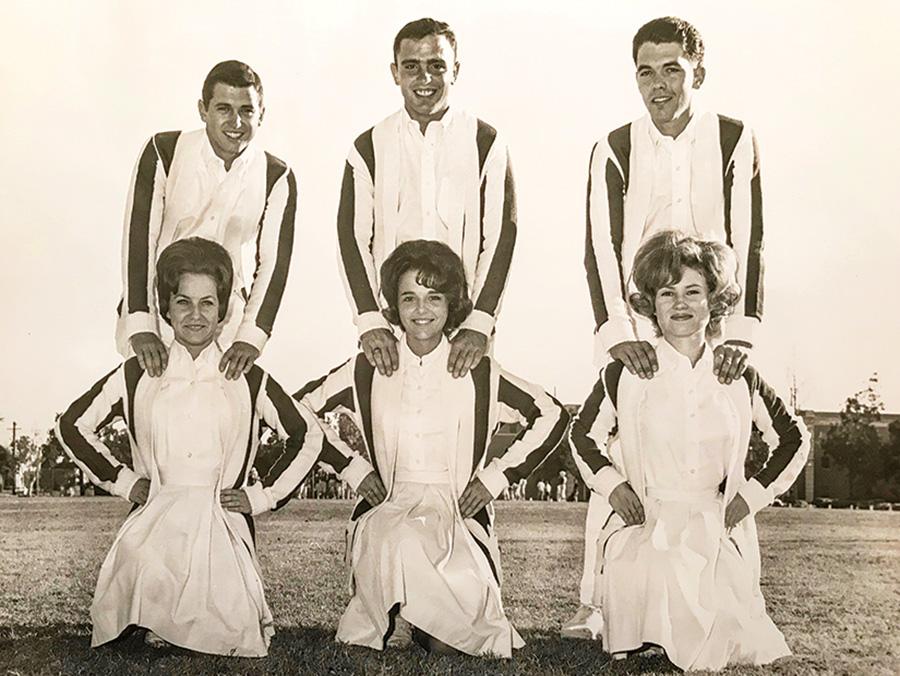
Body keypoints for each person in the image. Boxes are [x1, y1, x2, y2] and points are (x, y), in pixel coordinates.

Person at [58, 238, 377, 656]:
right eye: (183, 302)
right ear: (166, 308)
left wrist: (261, 496)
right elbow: (72, 425)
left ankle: (173, 621)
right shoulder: (139, 372)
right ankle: (151, 615)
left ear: (224, 311)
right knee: (147, 580)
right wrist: (124, 481)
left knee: (227, 629)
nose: (195, 315)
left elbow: (308, 435)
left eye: (208, 303)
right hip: (156, 516)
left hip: (221, 520)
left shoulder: (245, 375)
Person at [566, 15, 767, 639]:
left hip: (711, 322)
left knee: (714, 455)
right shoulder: (614, 146)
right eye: (646, 72)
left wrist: (739, 338)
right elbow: (600, 245)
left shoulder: (734, 137)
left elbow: (750, 240)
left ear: (696, 71)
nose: (659, 85)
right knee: (626, 448)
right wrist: (615, 333)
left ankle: (724, 586)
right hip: (640, 325)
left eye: (672, 69)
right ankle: (595, 602)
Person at [296, 240, 567, 657]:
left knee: (453, 646)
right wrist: (351, 468)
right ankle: (397, 612)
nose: (421, 310)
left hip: (455, 511)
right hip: (392, 505)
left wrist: (496, 478)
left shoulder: (476, 367)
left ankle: (419, 618)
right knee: (401, 536)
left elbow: (552, 415)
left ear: (451, 303)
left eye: (433, 297)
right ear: (394, 305)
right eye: (409, 298)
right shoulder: (369, 364)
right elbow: (299, 410)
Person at [570, 231, 808, 670]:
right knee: (659, 568)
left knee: (720, 626)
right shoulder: (627, 371)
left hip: (712, 522)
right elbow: (581, 435)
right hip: (648, 520)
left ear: (714, 302)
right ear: (650, 305)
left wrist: (749, 498)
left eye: (693, 291)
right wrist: (613, 485)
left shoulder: (737, 372)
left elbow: (794, 440)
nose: (680, 304)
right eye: (667, 292)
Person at [337, 18, 516, 381]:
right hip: (391, 329)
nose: (425, 78)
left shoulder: (486, 142)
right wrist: (370, 320)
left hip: (465, 328)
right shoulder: (368, 146)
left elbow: (501, 235)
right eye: (411, 67)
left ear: (456, 71)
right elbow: (351, 237)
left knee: (463, 425)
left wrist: (479, 323)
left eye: (437, 66)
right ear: (395, 72)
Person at [117, 60, 297, 382]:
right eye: (224, 109)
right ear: (203, 110)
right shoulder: (165, 150)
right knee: (155, 420)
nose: (236, 122)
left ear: (262, 114)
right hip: (160, 318)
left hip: (227, 327)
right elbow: (138, 239)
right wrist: (141, 324)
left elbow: (273, 263)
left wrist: (251, 336)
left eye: (247, 110)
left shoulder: (276, 175)